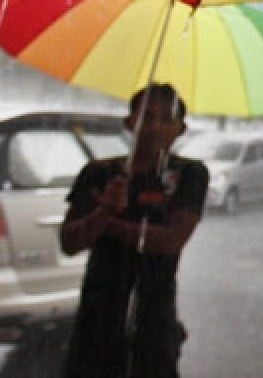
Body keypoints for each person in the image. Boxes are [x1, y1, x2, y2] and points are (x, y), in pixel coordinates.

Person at [60, 83, 209, 378]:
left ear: (181, 129)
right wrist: (104, 210)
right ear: (130, 123)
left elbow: (170, 240)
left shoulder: (189, 175)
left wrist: (109, 222)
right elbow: (70, 242)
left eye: (166, 119)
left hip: (154, 320)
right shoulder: (99, 173)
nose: (154, 126)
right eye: (147, 117)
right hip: (97, 319)